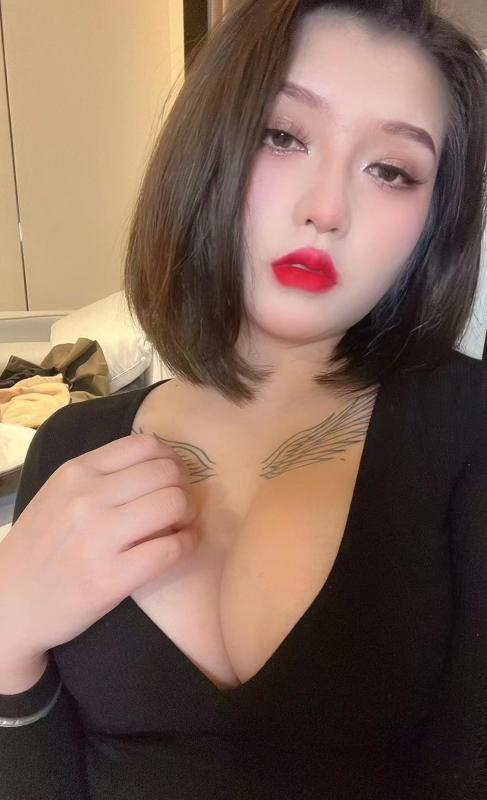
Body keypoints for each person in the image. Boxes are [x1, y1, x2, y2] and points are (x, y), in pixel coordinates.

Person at [1, 0, 486, 797]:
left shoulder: (467, 428)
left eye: (391, 170)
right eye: (283, 135)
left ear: (432, 221)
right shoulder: (72, 442)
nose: (325, 209)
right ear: (208, 147)